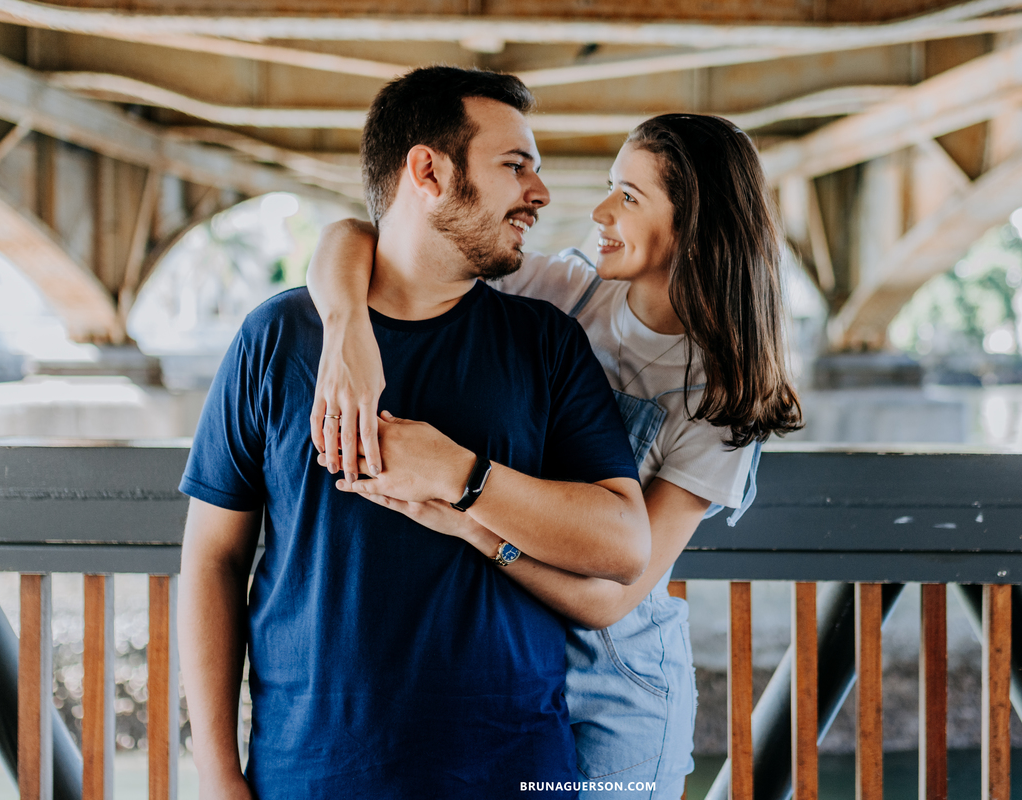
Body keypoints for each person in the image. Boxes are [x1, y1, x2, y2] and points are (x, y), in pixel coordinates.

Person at [177, 66, 652, 800]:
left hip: (514, 774)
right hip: (309, 776)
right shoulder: (276, 338)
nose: (542, 193)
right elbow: (213, 557)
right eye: (514, 165)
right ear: (428, 170)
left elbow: (624, 543)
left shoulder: (544, 342)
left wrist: (463, 477)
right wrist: (215, 772)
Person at [308, 112, 804, 798]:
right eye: (610, 187)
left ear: (696, 224)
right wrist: (345, 329)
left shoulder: (720, 394)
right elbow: (357, 235)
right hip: (510, 663)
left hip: (616, 689)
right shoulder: (574, 287)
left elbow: (612, 599)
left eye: (628, 197)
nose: (599, 211)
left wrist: (468, 516)